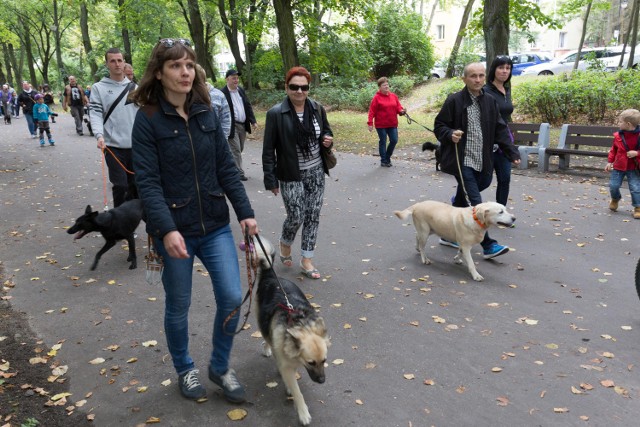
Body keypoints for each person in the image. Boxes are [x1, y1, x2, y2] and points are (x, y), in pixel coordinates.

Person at [131, 37, 258, 403]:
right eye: (175, 65)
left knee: (232, 298)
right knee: (178, 306)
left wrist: (245, 213)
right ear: (159, 73)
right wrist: (166, 229)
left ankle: (219, 366)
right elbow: (148, 183)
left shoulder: (204, 110)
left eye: (188, 64)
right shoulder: (148, 119)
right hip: (175, 231)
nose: (184, 72)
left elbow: (226, 168)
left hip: (215, 224)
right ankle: (185, 368)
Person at [434, 62, 520, 259]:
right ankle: (489, 245)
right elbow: (439, 125)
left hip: (483, 159)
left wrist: (512, 152)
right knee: (476, 202)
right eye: (473, 76)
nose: (478, 80)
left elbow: (500, 129)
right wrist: (449, 134)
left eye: (481, 75)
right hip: (462, 160)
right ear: (464, 79)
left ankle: (449, 233)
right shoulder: (454, 100)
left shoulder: (490, 101)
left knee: (482, 184)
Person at [262, 66, 334, 279]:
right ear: (286, 87)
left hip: (316, 170)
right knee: (296, 215)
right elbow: (268, 150)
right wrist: (270, 179)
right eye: (294, 87)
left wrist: (328, 140)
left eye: (304, 87)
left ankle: (307, 259)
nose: (299, 91)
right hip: (290, 173)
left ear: (309, 88)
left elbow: (327, 130)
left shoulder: (317, 108)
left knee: (313, 214)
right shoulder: (276, 113)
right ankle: (285, 241)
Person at [89, 48, 138, 208]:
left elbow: (145, 115)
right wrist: (99, 135)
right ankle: (120, 223)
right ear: (107, 64)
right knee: (121, 186)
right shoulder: (99, 88)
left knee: (135, 187)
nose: (117, 64)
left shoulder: (135, 89)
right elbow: (95, 113)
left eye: (119, 60)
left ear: (124, 62)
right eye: (113, 61)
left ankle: (133, 224)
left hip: (136, 147)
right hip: (112, 147)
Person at [483, 56, 515, 208]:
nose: (504, 71)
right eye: (501, 67)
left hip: (504, 142)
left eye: (508, 68)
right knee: (482, 180)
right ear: (494, 69)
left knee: (505, 178)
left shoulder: (506, 91)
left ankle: (500, 212)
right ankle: (459, 201)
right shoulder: (485, 91)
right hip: (487, 142)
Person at [221, 69, 257, 181]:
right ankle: (239, 173)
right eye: (233, 78)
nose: (236, 80)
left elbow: (247, 105)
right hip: (231, 126)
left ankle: (228, 166)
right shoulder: (223, 93)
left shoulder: (240, 90)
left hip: (242, 125)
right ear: (227, 79)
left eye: (237, 78)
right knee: (236, 149)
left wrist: (253, 121)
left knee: (239, 148)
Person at [605, 109, 640, 219]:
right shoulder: (618, 136)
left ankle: (637, 207)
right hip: (619, 166)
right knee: (613, 186)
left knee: (635, 188)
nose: (618, 123)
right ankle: (615, 198)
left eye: (620, 121)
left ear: (628, 124)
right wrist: (610, 162)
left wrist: (637, 153)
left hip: (633, 167)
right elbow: (613, 150)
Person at [367, 76, 406, 167]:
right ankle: (384, 160)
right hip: (381, 125)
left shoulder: (393, 96)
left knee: (394, 140)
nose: (386, 86)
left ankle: (387, 157)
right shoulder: (376, 98)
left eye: (387, 84)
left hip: (392, 124)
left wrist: (401, 111)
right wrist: (370, 123)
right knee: (383, 141)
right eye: (384, 85)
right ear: (380, 87)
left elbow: (398, 107)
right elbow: (372, 111)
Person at [195, 64, 231, 138]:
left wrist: (223, 140)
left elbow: (226, 119)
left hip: (216, 140)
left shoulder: (218, 95)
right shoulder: (185, 96)